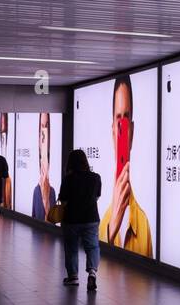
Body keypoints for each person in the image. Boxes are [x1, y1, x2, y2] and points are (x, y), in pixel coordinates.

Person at [98, 75, 153, 256]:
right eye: (118, 119)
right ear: (113, 130)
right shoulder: (102, 221)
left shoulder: (143, 224)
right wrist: (111, 228)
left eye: (126, 119)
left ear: (132, 132)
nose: (122, 127)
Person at [58, 149, 101, 290]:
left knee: (71, 248)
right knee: (92, 246)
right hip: (91, 218)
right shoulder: (95, 177)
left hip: (71, 219)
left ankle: (73, 277)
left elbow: (63, 201)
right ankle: (92, 273)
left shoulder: (68, 179)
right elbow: (97, 196)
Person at [30, 112, 55, 220]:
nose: (44, 129)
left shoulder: (52, 191)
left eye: (46, 125)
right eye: (42, 126)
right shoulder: (37, 190)